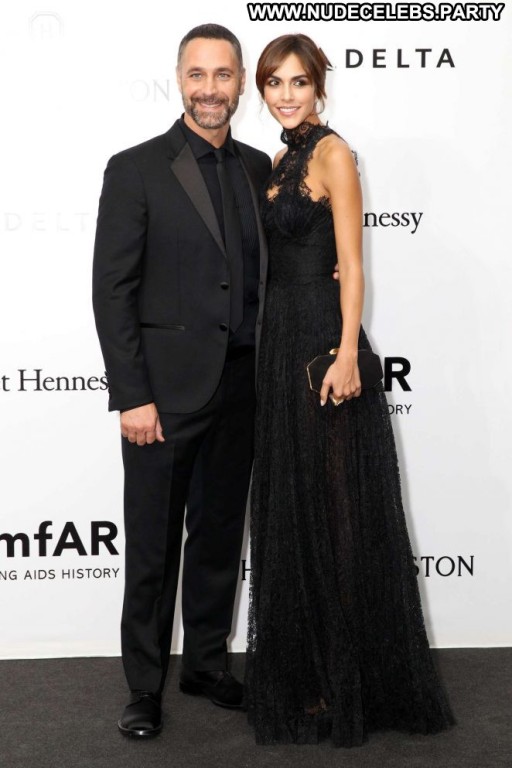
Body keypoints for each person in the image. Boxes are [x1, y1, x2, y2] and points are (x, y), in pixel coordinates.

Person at [245, 33, 455, 747]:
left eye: (298, 82)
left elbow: (353, 264)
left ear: (320, 87)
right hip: (280, 341)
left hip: (321, 342)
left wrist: (345, 353)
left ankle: (349, 680)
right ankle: (309, 671)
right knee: (296, 505)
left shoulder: (335, 153)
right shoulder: (279, 160)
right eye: (274, 83)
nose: (286, 95)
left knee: (335, 510)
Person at [92, 24, 271, 738]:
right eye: (197, 74)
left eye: (223, 75)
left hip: (242, 385)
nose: (210, 89)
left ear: (240, 83)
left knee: (220, 534)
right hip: (162, 397)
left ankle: (205, 663)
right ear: (179, 79)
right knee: (153, 545)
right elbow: (112, 290)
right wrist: (132, 394)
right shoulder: (135, 168)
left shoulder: (260, 166)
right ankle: (144, 686)